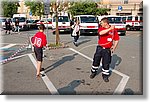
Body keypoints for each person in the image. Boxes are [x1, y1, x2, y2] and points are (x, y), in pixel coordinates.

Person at [90, 17, 120, 82]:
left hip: (107, 49)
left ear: (105, 23)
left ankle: (105, 75)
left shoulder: (114, 30)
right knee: (96, 61)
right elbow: (101, 33)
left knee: (106, 63)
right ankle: (93, 72)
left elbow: (116, 39)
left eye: (102, 23)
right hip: (100, 48)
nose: (101, 24)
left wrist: (114, 47)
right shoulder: (101, 28)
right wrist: (110, 29)